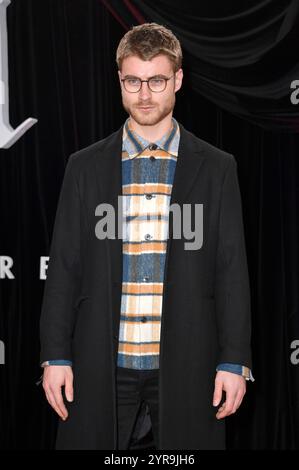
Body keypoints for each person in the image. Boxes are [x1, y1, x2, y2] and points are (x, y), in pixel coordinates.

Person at [40, 22, 254, 450]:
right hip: (101, 360)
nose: (144, 93)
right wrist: (55, 355)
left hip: (188, 360)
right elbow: (64, 267)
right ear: (120, 80)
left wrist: (234, 361)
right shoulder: (83, 167)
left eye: (156, 80)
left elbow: (231, 270)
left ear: (177, 79)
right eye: (133, 80)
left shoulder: (217, 168)